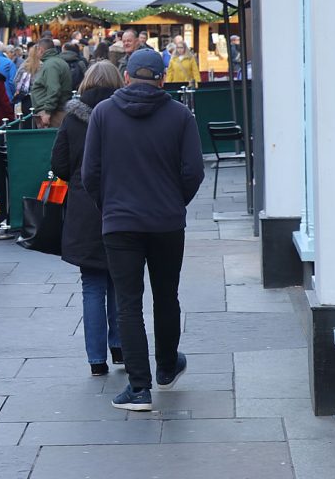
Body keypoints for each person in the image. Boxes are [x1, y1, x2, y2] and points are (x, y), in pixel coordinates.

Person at [81, 50, 205, 412]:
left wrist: (110, 206)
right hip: (166, 222)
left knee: (127, 303)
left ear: (127, 76)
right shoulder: (181, 115)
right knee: (167, 296)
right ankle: (166, 366)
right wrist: (173, 202)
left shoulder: (103, 114)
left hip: (120, 223)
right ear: (163, 78)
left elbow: (91, 172)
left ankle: (139, 388)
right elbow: (193, 171)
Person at [51, 61, 123, 376]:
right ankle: (120, 345)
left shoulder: (72, 119)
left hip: (84, 208)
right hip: (121, 206)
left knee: (92, 285)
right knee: (120, 282)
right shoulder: (124, 114)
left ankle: (96, 359)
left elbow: (60, 163)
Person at [30, 38, 72, 128]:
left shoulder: (51, 65)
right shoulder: (57, 62)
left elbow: (54, 89)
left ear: (41, 50)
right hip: (56, 110)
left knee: (49, 140)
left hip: (52, 114)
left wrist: (47, 112)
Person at [13, 44, 43, 117]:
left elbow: (16, 80)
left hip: (25, 98)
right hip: (39, 98)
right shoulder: (42, 66)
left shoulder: (24, 65)